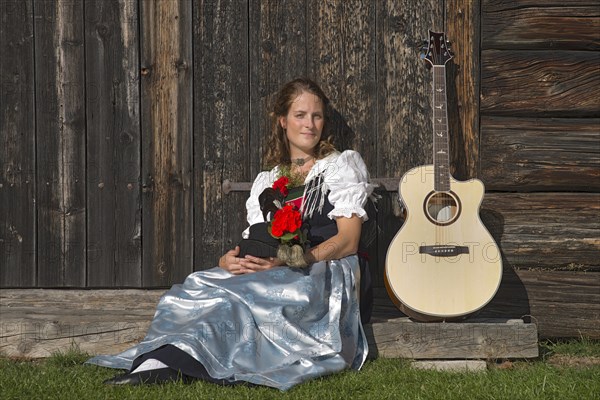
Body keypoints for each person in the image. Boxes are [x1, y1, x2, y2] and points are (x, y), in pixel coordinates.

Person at [86, 77, 376, 391]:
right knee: (200, 285)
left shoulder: (341, 166)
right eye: (300, 115)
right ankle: (160, 359)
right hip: (276, 266)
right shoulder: (268, 179)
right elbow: (258, 238)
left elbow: (348, 241)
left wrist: (294, 260)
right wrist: (229, 261)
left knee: (243, 296)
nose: (309, 124)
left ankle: (172, 364)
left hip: (324, 270)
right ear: (283, 121)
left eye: (316, 116)